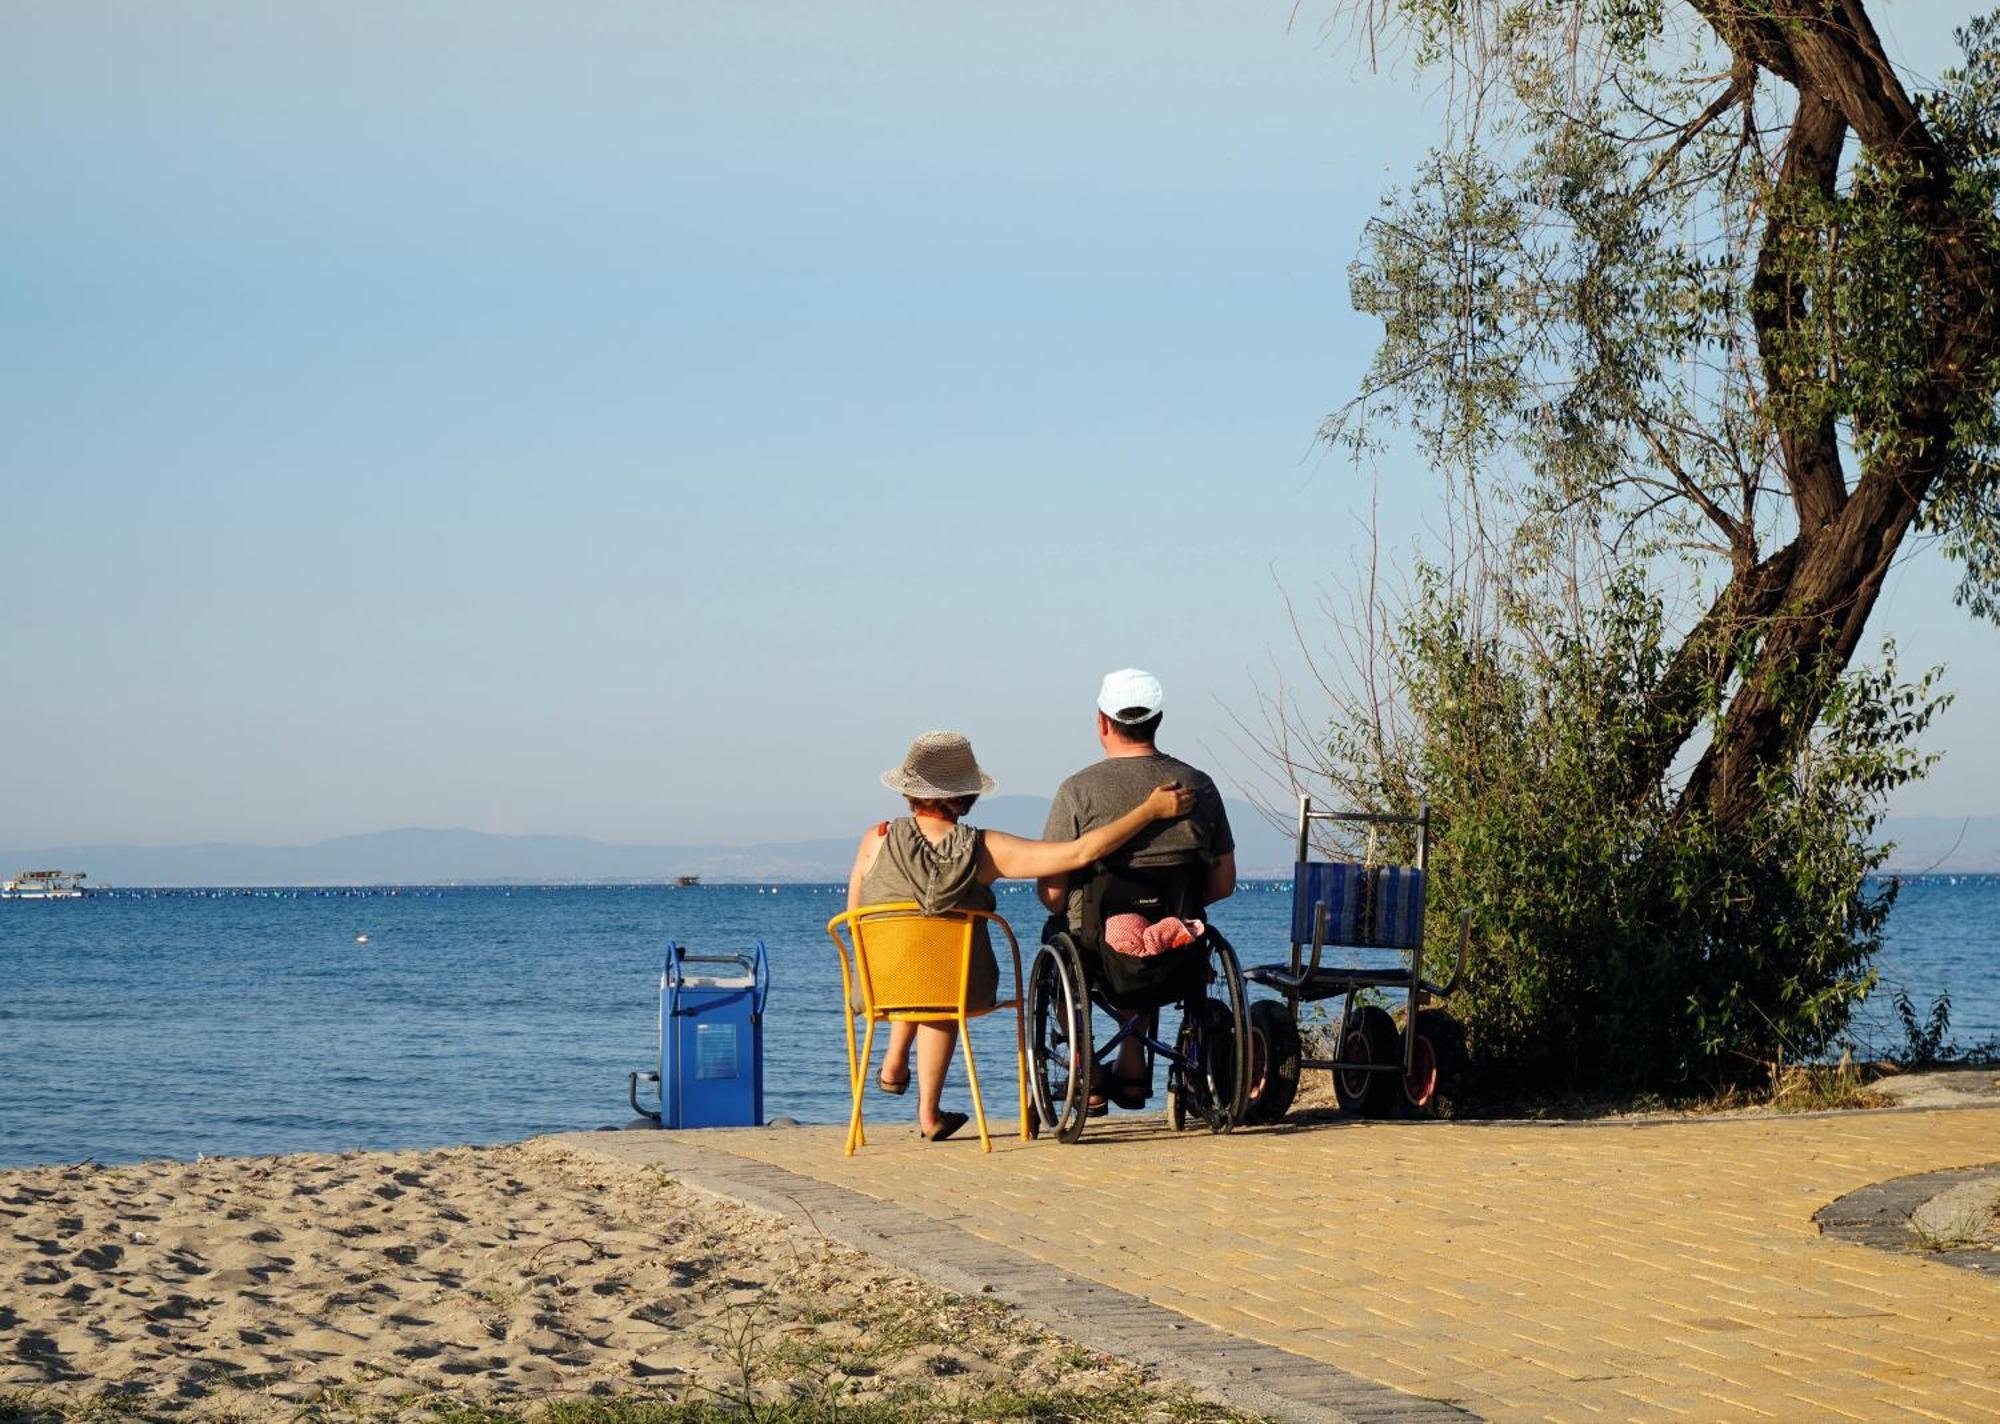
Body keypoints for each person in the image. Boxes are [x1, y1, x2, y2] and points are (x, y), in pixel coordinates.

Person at [848, 729, 1193, 1141]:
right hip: (955, 989)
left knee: (916, 957)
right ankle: (927, 1114)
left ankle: (895, 1061)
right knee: (941, 983)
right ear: (966, 794)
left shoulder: (876, 838)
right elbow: (1080, 852)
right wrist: (1149, 811)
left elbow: (856, 915)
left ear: (910, 790)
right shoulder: (984, 848)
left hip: (879, 986)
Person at [1037, 668, 1236, 1110]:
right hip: (1176, 943)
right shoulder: (1198, 785)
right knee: (1149, 934)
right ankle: (1132, 1066)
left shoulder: (1077, 792)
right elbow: (1223, 883)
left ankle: (1086, 1069)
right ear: (1158, 719)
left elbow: (1051, 894)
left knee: (1068, 935)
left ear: (1102, 723)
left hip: (1096, 946)